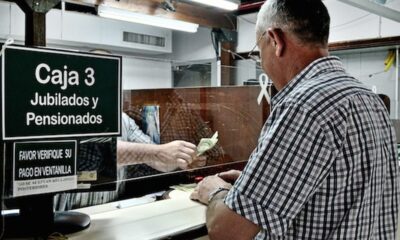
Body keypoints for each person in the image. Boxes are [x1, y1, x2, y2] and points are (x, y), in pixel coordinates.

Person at [190, 0, 400, 239]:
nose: (262, 62)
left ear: (276, 41)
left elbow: (227, 230)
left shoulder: (302, 107)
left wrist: (215, 191)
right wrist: (253, 188)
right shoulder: (369, 100)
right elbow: (337, 191)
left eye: (259, 50)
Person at [55, 112, 205, 211]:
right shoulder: (63, 115)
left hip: (111, 211)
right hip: (65, 215)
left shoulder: (123, 120)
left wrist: (181, 159)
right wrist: (160, 152)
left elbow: (158, 161)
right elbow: (90, 155)